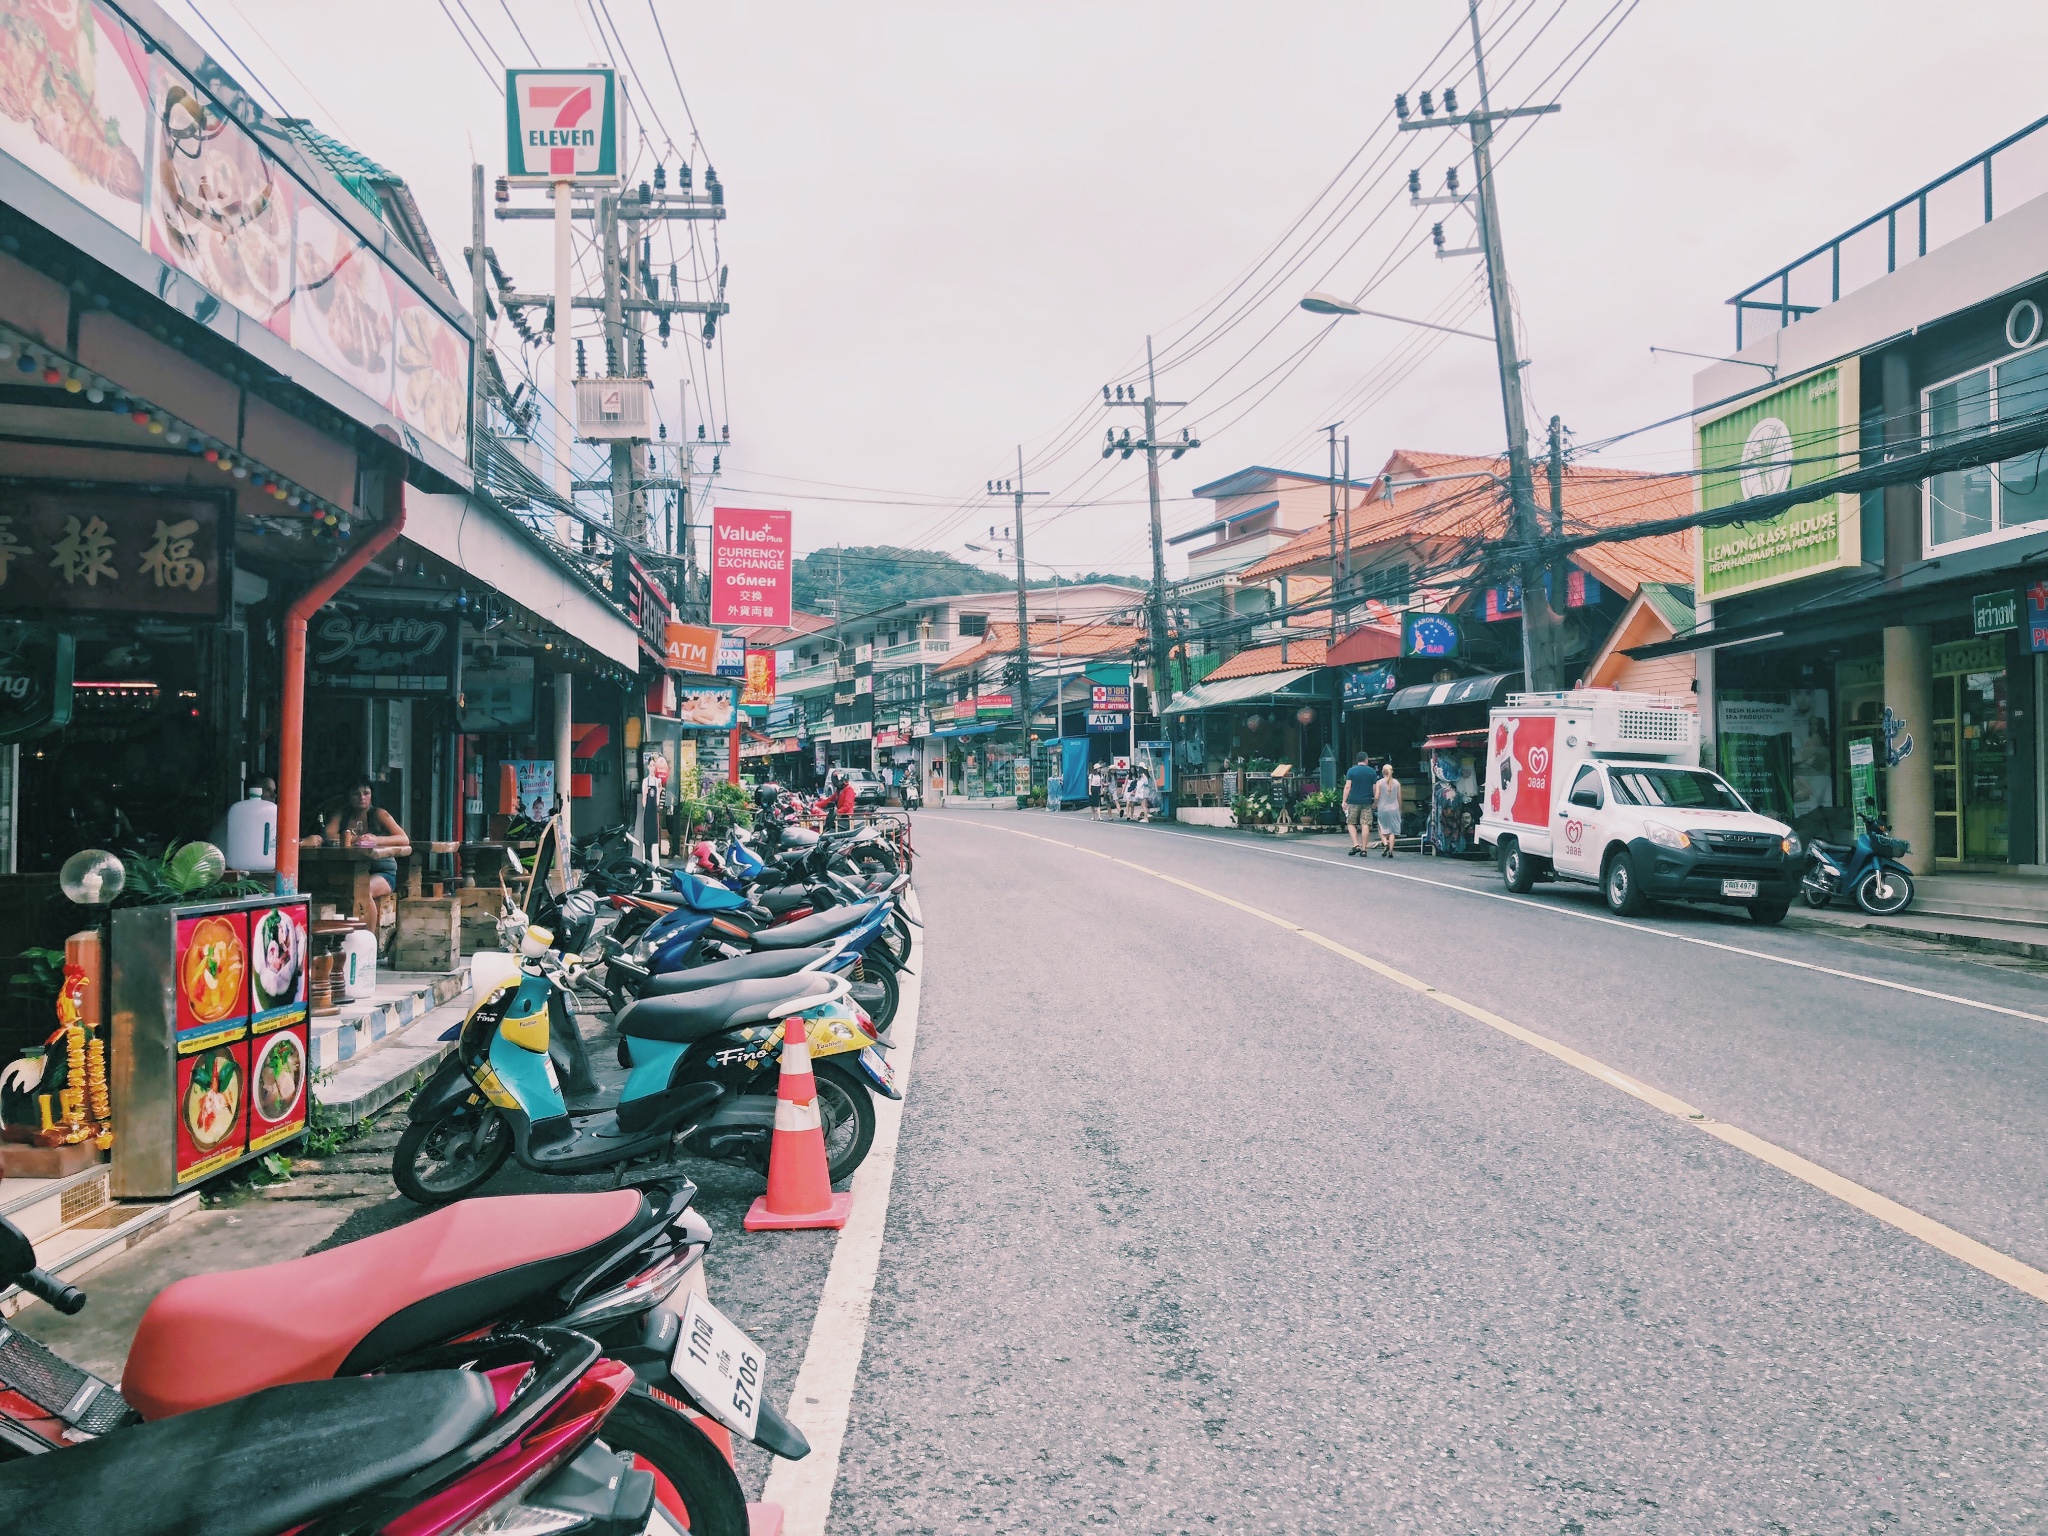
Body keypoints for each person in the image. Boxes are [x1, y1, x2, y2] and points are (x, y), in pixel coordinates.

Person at [304, 778, 411, 899]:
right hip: (349, 870)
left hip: (381, 872)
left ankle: (367, 919)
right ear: (348, 796)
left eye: (366, 793)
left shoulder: (379, 814)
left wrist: (376, 840)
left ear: (371, 795)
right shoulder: (342, 814)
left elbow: (403, 838)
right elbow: (328, 835)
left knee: (363, 891)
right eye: (356, 793)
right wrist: (356, 839)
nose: (362, 797)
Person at [1341, 751, 1375, 857]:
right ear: (1366, 760)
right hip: (1367, 801)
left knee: (1351, 823)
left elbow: (1347, 787)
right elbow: (1374, 788)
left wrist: (1344, 801)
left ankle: (1356, 845)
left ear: (1357, 760)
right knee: (1365, 824)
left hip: (1353, 801)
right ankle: (1364, 849)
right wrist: (1375, 800)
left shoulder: (1351, 771)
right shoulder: (1372, 772)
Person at [1374, 761, 1403, 858]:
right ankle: (1391, 850)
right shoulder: (1397, 783)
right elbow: (1399, 798)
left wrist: (1374, 804)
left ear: (1383, 772)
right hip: (1394, 808)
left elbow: (1377, 796)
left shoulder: (1379, 782)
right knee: (1392, 831)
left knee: (1381, 827)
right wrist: (1400, 808)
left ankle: (1385, 844)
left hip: (1383, 808)